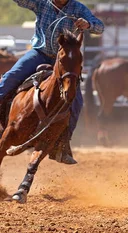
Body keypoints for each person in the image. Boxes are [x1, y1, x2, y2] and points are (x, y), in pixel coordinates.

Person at [0, 0, 104, 164]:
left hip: (63, 61)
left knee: (76, 101)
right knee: (11, 77)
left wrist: (88, 24)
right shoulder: (42, 3)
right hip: (39, 53)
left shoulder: (78, 8)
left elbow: (100, 27)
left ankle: (62, 145)